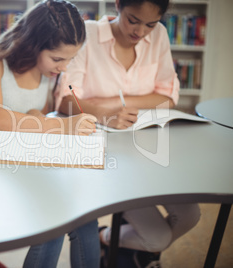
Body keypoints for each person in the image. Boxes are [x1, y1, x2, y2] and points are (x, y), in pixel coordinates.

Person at [55, 0, 201, 267]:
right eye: (133, 20)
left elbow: (168, 97)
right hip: (107, 155)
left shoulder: (159, 36)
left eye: (150, 24)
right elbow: (65, 100)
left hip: (149, 149)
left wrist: (116, 103)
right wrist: (105, 113)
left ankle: (118, 245)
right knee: (156, 238)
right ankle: (109, 239)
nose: (141, 32)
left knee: (191, 215)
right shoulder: (87, 34)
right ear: (117, 5)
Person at [0, 0, 100, 267]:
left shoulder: (46, 72)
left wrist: (40, 118)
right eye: (58, 58)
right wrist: (60, 126)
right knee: (55, 217)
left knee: (86, 217)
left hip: (20, 164)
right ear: (34, 44)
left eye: (70, 59)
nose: (63, 67)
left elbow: (38, 114)